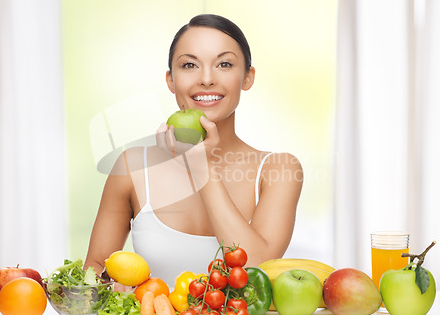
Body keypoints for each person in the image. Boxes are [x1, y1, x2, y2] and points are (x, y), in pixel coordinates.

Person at [84, 14, 303, 284]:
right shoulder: (131, 167)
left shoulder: (278, 169)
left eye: (224, 64)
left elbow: (254, 271)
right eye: (189, 65)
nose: (207, 79)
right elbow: (94, 272)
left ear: (247, 77)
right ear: (171, 80)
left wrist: (203, 170)